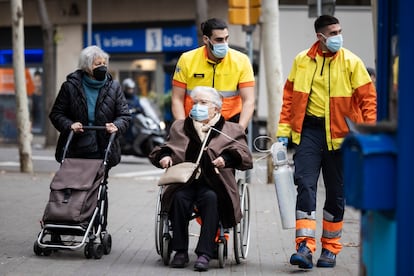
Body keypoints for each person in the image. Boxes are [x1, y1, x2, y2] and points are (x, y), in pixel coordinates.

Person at [276, 15, 377, 269]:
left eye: (339, 31)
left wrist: (369, 135)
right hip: (309, 132)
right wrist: (283, 130)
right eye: (333, 33)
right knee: (305, 185)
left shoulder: (352, 62)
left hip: (342, 136)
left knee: (336, 193)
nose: (338, 37)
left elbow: (368, 102)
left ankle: (330, 249)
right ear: (320, 37)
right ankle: (304, 247)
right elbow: (289, 98)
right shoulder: (302, 61)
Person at [149, 86, 253, 271]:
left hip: (215, 183)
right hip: (185, 181)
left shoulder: (231, 129)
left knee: (211, 199)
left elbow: (244, 156)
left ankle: (205, 253)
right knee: (179, 198)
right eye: (195, 103)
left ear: (217, 108)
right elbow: (165, 148)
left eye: (203, 103)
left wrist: (227, 158)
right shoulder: (180, 127)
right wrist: (164, 157)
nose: (197, 106)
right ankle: (180, 250)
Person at [49, 45, 130, 170]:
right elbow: (56, 114)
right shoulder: (70, 87)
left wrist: (116, 126)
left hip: (103, 146)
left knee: (99, 185)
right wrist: (69, 125)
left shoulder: (114, 87)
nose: (102, 67)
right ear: (86, 66)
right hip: (75, 147)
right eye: (98, 64)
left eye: (104, 63)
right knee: (72, 186)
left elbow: (124, 115)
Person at [171, 18, 255, 130]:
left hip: (229, 125)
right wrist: (181, 128)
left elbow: (249, 100)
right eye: (219, 40)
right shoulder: (187, 60)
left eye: (226, 39)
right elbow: (177, 98)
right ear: (206, 39)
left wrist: (240, 129)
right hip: (194, 124)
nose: (224, 44)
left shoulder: (241, 60)